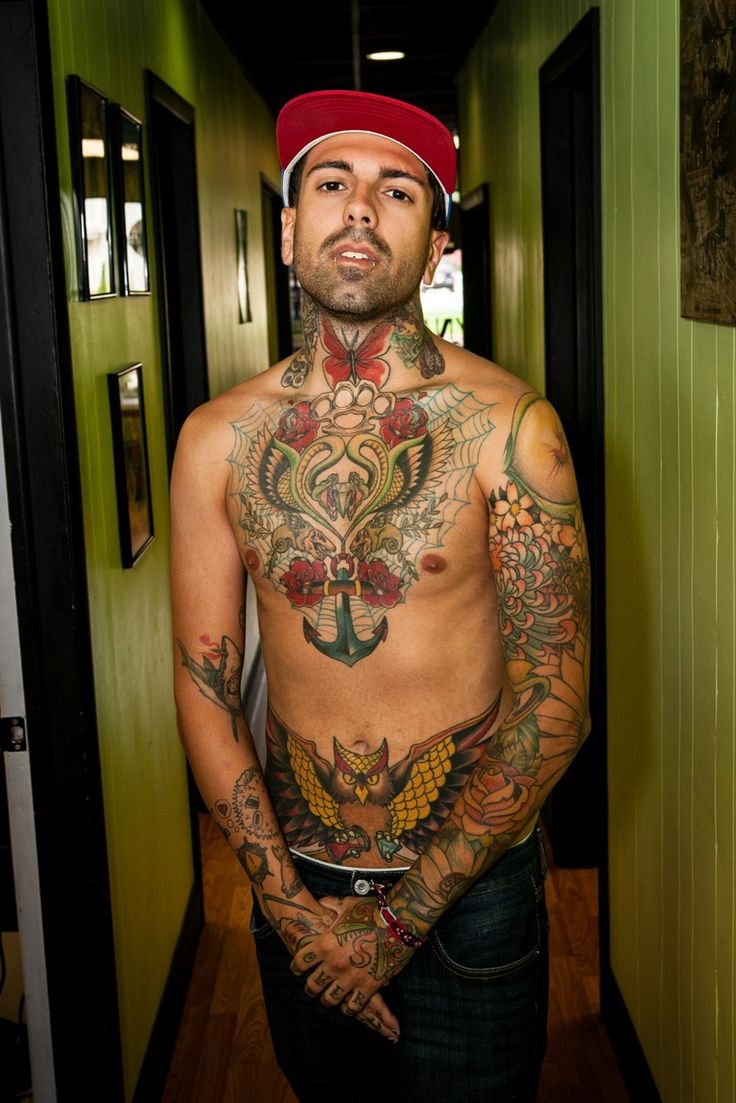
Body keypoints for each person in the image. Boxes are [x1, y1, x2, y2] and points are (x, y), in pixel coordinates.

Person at [170, 89, 591, 1102]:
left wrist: (396, 924)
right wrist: (290, 910)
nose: (359, 206)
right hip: (298, 891)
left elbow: (556, 706)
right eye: (331, 182)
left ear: (436, 246)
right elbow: (205, 690)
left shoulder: (510, 429)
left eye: (396, 189)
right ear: (287, 230)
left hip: (470, 898)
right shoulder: (215, 440)